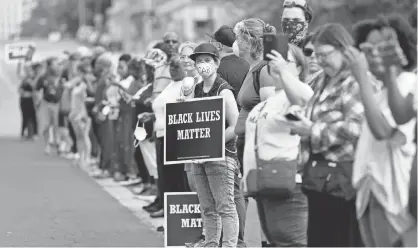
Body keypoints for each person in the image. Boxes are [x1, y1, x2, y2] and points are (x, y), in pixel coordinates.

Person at [287, 23, 364, 247]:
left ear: (343, 49)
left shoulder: (355, 82)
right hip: (318, 179)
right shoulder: (321, 81)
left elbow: (356, 129)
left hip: (344, 182)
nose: (319, 61)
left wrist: (312, 130)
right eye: (315, 55)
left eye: (325, 55)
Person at [351, 15, 417, 247]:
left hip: (392, 192)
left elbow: (383, 130)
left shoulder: (409, 82)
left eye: (382, 46)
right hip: (369, 190)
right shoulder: (380, 92)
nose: (374, 54)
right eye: (369, 48)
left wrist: (362, 80)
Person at [243, 44, 312, 247]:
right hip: (263, 182)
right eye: (273, 58)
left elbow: (306, 98)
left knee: (289, 243)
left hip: (286, 182)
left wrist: (284, 72)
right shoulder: (267, 102)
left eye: (285, 59)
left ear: (299, 68)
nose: (276, 62)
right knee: (276, 242)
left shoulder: (292, 98)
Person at [189, 43, 240, 247]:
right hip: (199, 158)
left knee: (225, 206)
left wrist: (212, 144)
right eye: (199, 61)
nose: (203, 65)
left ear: (217, 63)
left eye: (207, 60)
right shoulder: (197, 89)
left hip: (221, 156)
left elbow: (235, 126)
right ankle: (211, 244)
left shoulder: (223, 90)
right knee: (207, 208)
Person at [138, 55, 190, 221]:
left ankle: (177, 218)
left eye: (177, 66)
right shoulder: (170, 85)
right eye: (171, 67)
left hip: (175, 137)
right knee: (165, 176)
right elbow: (164, 108)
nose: (173, 69)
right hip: (161, 135)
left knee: (175, 178)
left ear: (186, 67)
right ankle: (167, 212)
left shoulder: (187, 85)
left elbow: (184, 109)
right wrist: (152, 115)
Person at [233, 18, 277, 172]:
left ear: (248, 40)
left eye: (237, 38)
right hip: (246, 144)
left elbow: (270, 112)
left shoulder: (265, 70)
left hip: (256, 147)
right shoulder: (252, 69)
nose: (235, 43)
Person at [208, 25, 250, 96]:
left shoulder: (216, 69)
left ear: (219, 46)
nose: (209, 44)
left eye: (211, 42)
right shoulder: (248, 64)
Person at [35, 57, 64, 155]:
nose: (57, 66)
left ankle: (58, 143)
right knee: (46, 125)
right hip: (46, 102)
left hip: (58, 103)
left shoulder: (61, 76)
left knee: (57, 125)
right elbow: (37, 89)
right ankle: (47, 145)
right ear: (50, 65)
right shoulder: (44, 77)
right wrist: (38, 100)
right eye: (55, 64)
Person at [19, 64, 37, 140]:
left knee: (33, 117)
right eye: (27, 71)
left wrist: (29, 93)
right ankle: (23, 134)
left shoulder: (34, 79)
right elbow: (20, 90)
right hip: (24, 101)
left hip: (32, 101)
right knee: (25, 117)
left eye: (30, 71)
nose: (28, 72)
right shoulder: (24, 80)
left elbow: (35, 89)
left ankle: (34, 134)